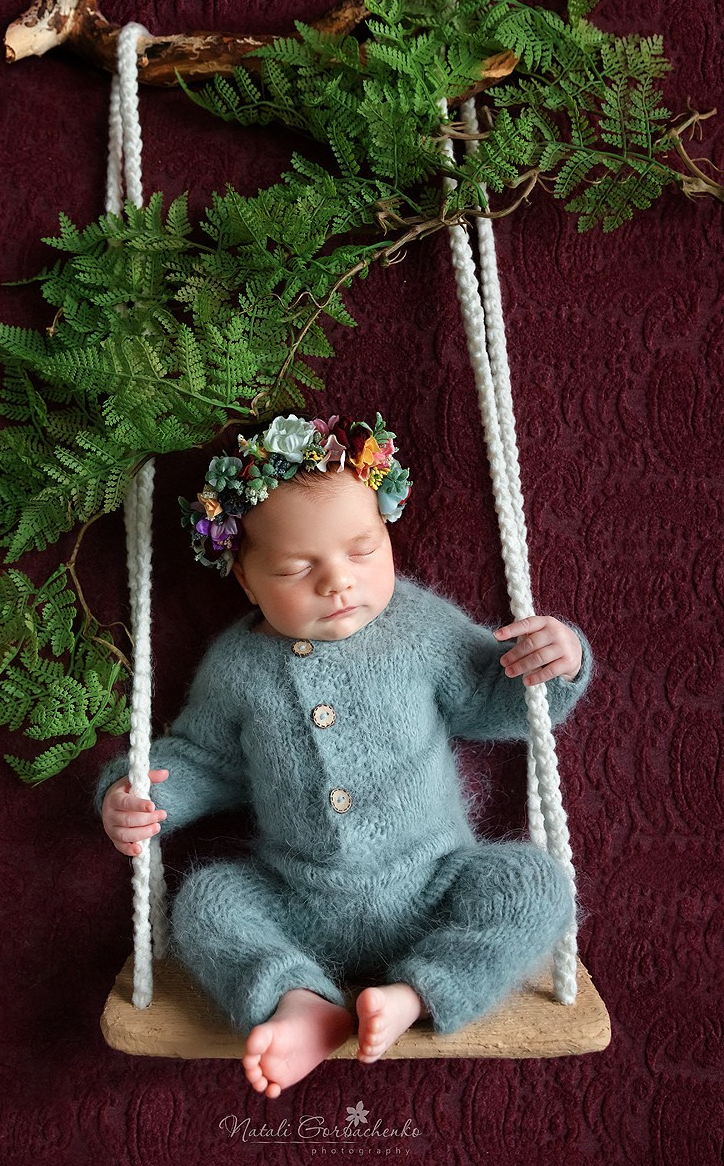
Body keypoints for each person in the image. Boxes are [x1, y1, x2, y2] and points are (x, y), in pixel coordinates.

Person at [96, 413, 592, 1098]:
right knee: (207, 902)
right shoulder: (237, 666)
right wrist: (138, 796)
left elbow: (494, 694)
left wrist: (554, 660)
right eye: (298, 568)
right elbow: (201, 758)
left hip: (435, 883)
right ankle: (300, 1001)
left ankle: (417, 994)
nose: (338, 582)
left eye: (363, 551)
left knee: (534, 884)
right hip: (296, 899)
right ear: (245, 579)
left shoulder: (418, 627)